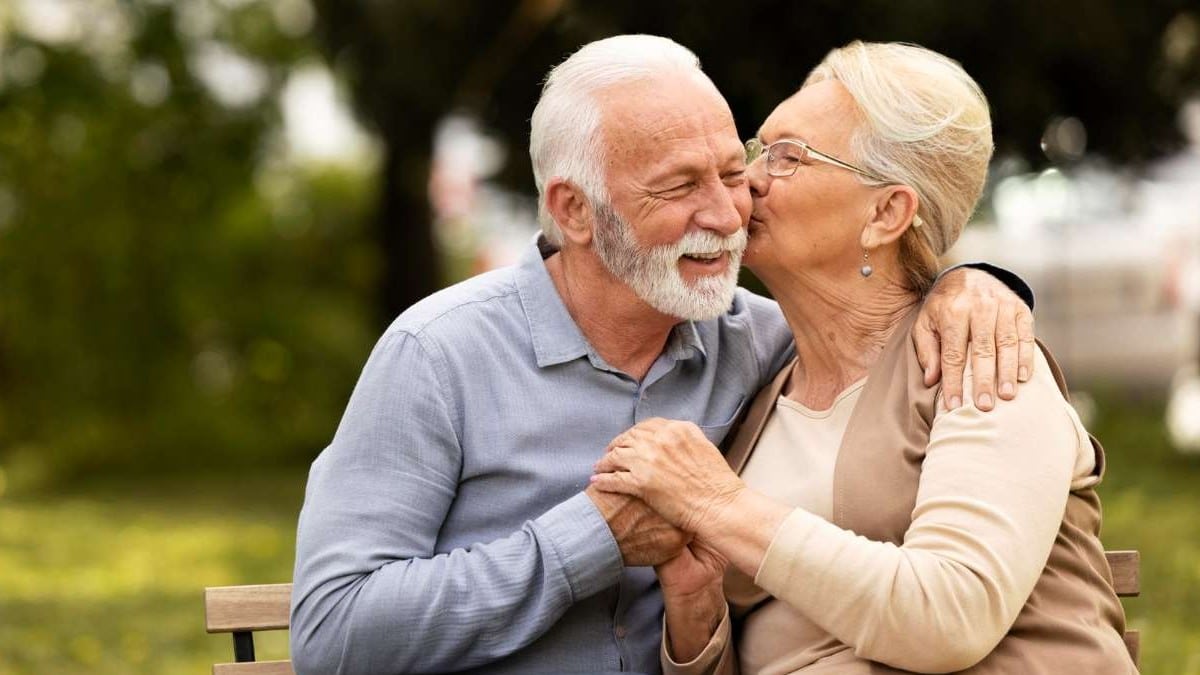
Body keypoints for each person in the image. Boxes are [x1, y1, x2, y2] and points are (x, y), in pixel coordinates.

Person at [289, 35, 1036, 675]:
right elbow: (332, 630)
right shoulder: (437, 356)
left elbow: (878, 307)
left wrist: (973, 283)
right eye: (679, 186)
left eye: (730, 169)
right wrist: (591, 537)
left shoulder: (766, 344)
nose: (727, 211)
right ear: (573, 209)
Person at [591, 41, 1134, 674]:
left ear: (885, 213)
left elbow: (949, 617)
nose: (750, 178)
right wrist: (695, 611)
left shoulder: (980, 359)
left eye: (789, 156)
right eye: (759, 149)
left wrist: (719, 507)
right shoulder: (759, 379)